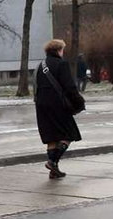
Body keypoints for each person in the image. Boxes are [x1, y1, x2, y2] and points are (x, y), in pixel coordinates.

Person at [35, 39, 84, 179]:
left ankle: (54, 170)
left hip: (41, 105)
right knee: (68, 134)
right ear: (59, 50)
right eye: (62, 50)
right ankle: (52, 161)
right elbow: (69, 86)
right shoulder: (61, 64)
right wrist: (79, 102)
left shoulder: (40, 65)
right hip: (58, 104)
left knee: (51, 136)